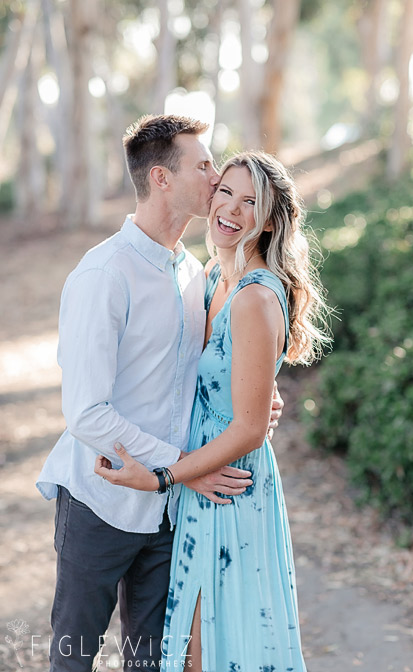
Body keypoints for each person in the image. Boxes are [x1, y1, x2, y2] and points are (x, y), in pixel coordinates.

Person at [36, 114, 283, 671]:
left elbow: (202, 373)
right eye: (203, 165)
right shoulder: (105, 274)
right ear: (161, 178)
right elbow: (86, 412)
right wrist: (182, 466)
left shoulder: (192, 272)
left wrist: (257, 400)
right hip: (101, 497)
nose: (215, 176)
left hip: (171, 511)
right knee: (73, 654)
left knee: (151, 661)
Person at [96, 150, 330, 670]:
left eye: (251, 201)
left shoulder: (254, 296)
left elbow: (248, 428)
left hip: (230, 486)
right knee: (194, 649)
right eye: (226, 191)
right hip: (202, 477)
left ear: (270, 219)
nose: (232, 208)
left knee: (215, 648)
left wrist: (163, 477)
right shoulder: (211, 276)